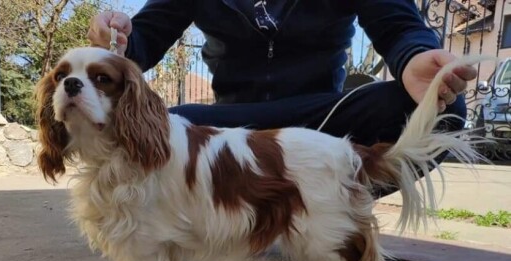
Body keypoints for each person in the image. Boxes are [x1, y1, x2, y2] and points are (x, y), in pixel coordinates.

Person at [87, 1, 476, 163]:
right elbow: (142, 44)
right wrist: (115, 40)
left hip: (320, 123)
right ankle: (229, 210)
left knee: (439, 108)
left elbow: (397, 24)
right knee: (165, 125)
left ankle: (333, 210)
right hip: (234, 130)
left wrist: (415, 56)